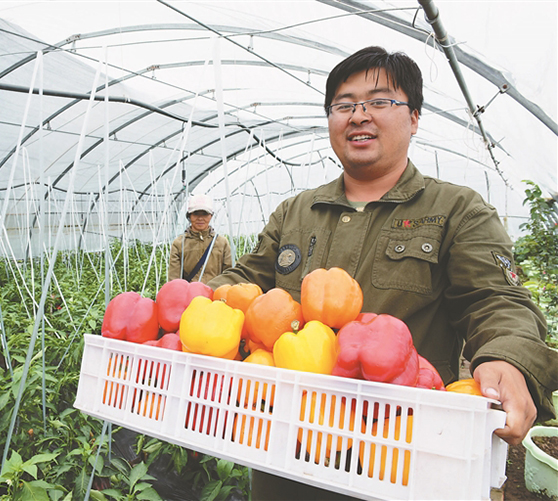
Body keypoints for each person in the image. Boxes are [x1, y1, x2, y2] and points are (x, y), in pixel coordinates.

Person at [207, 46, 558, 500]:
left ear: (414, 117)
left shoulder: (455, 209)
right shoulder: (296, 211)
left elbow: (495, 298)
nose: (359, 115)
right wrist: (188, 303)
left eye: (379, 101)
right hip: (288, 447)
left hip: (403, 454)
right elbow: (246, 282)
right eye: (344, 105)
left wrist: (507, 357)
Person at [168, 194, 232, 283]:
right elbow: (174, 279)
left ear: (211, 216)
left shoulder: (221, 242)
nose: (200, 218)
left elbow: (228, 274)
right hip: (190, 291)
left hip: (215, 290)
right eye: (196, 214)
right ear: (189, 216)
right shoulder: (179, 243)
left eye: (205, 214)